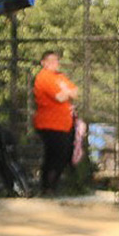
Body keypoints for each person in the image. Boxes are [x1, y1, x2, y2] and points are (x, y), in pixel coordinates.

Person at [32, 50, 78, 194]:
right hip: (49, 124)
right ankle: (47, 187)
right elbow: (59, 97)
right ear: (43, 63)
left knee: (64, 155)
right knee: (53, 155)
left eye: (56, 61)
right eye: (50, 61)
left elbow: (76, 92)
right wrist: (67, 92)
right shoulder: (43, 77)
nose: (54, 64)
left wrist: (68, 92)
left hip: (64, 124)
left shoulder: (60, 76)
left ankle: (51, 186)